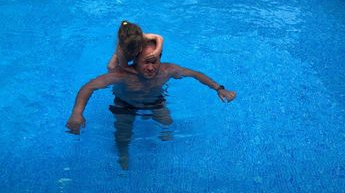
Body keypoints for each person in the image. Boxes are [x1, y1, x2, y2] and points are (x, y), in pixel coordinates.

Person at [66, 40, 236, 169]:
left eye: (154, 61)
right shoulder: (123, 75)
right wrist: (77, 113)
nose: (150, 67)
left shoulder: (167, 70)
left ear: (160, 59)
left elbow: (194, 74)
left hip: (155, 102)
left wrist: (219, 88)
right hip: (125, 105)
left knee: (167, 123)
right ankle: (123, 155)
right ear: (135, 61)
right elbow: (88, 87)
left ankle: (164, 148)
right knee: (123, 134)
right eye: (145, 62)